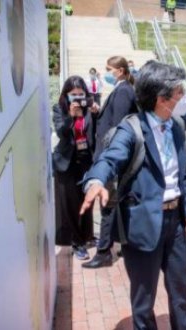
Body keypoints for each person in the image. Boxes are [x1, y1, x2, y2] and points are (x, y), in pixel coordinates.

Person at [79, 60, 186, 330]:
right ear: (161, 98)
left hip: (175, 224)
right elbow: (111, 158)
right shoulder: (131, 129)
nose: (182, 98)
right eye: (178, 93)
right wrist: (96, 180)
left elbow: (184, 174)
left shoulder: (177, 125)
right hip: (143, 224)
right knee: (143, 299)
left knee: (181, 292)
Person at [83, 56, 138, 269]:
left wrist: (108, 159)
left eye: (109, 70)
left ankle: (104, 251)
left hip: (110, 156)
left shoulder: (124, 91)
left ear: (121, 71)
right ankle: (122, 244)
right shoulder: (121, 89)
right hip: (109, 154)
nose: (106, 73)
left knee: (107, 203)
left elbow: (118, 127)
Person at [52, 75, 98, 260]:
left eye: (81, 94)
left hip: (86, 161)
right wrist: (71, 116)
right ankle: (76, 242)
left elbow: (96, 130)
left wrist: (96, 112)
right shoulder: (59, 109)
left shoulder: (90, 109)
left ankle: (87, 235)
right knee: (70, 205)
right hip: (67, 163)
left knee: (87, 202)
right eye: (73, 94)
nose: (77, 98)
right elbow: (61, 132)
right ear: (66, 95)